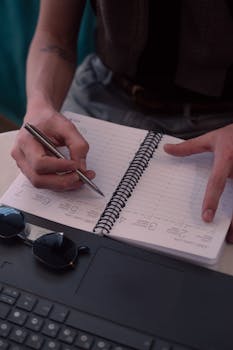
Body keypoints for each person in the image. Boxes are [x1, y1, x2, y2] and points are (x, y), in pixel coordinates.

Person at [11, 0, 233, 239]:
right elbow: (54, 37)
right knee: (32, 233)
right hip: (103, 92)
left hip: (221, 121)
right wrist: (39, 106)